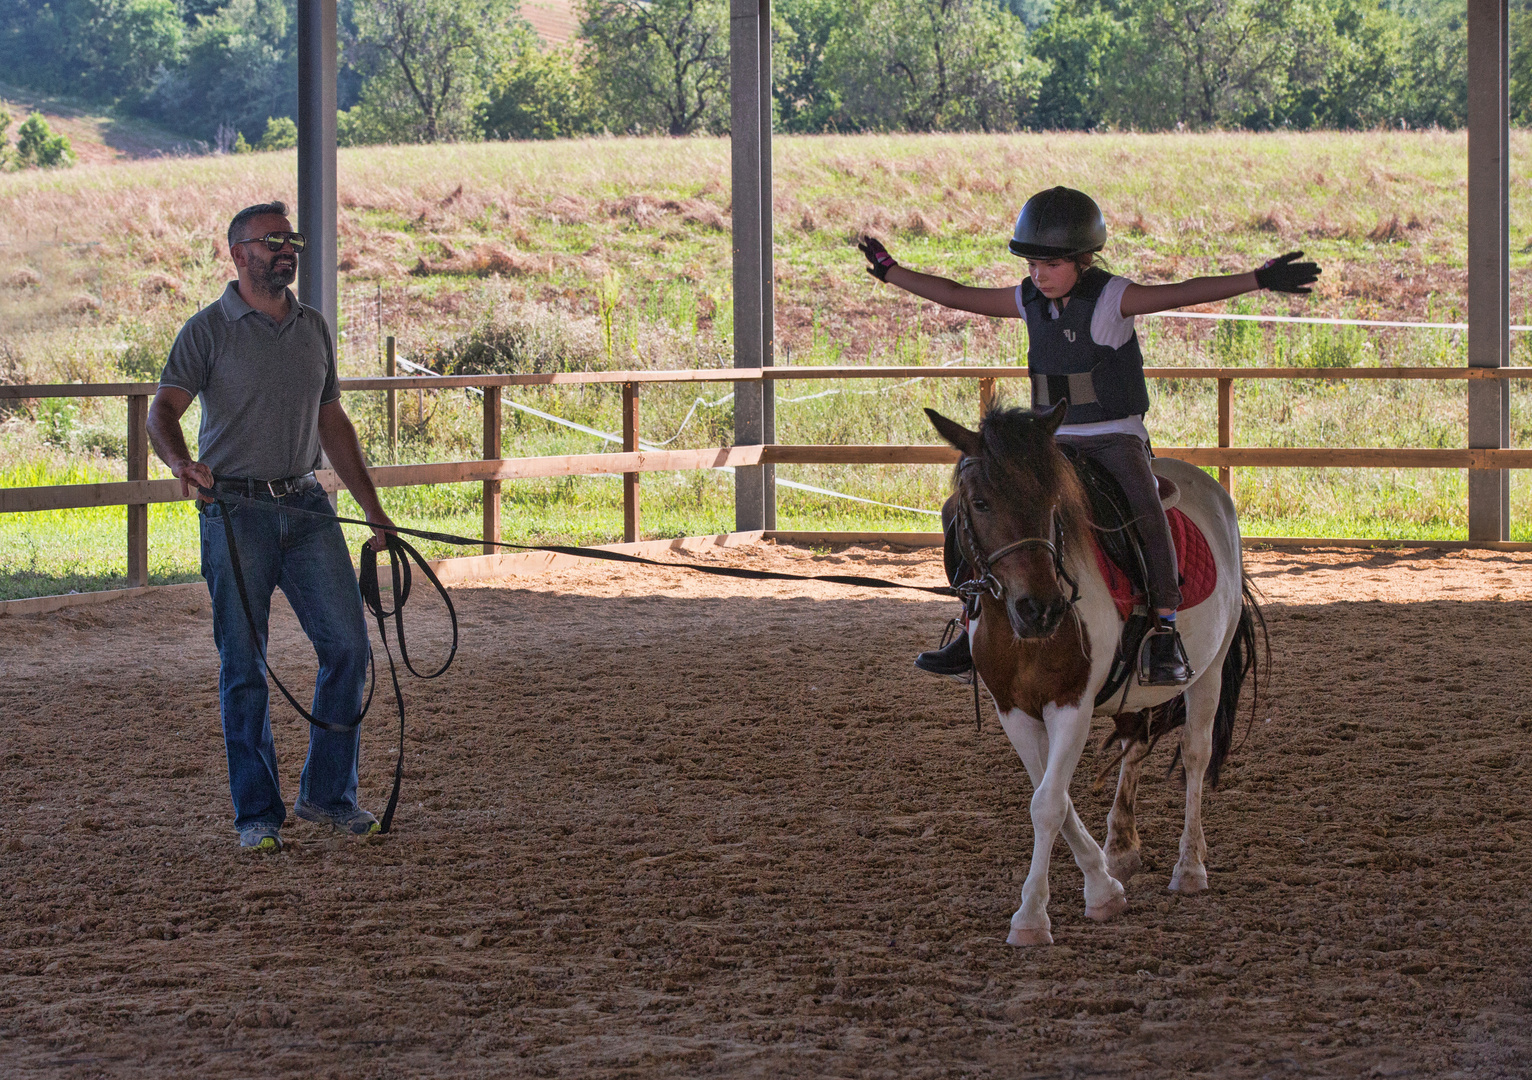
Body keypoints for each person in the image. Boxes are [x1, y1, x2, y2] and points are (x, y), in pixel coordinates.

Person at [859, 186, 1319, 685]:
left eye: (1050, 264)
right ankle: (973, 616)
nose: (1039, 274)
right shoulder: (1027, 298)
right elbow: (955, 294)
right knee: (963, 509)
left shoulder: (1113, 297)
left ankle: (1165, 628)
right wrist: (891, 272)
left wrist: (1258, 279)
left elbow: (1185, 290)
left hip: (1113, 437)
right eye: (1033, 263)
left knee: (1146, 511)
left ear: (1083, 259)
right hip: (1046, 443)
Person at [147, 200, 396, 852]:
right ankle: (257, 816)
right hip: (236, 513)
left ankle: (326, 797)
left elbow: (332, 422)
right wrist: (181, 461)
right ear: (238, 254)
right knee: (244, 665)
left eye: (292, 239)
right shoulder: (207, 331)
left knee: (348, 649)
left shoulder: (314, 328)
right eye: (272, 241)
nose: (287, 249)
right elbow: (162, 412)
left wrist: (374, 511)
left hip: (308, 508)